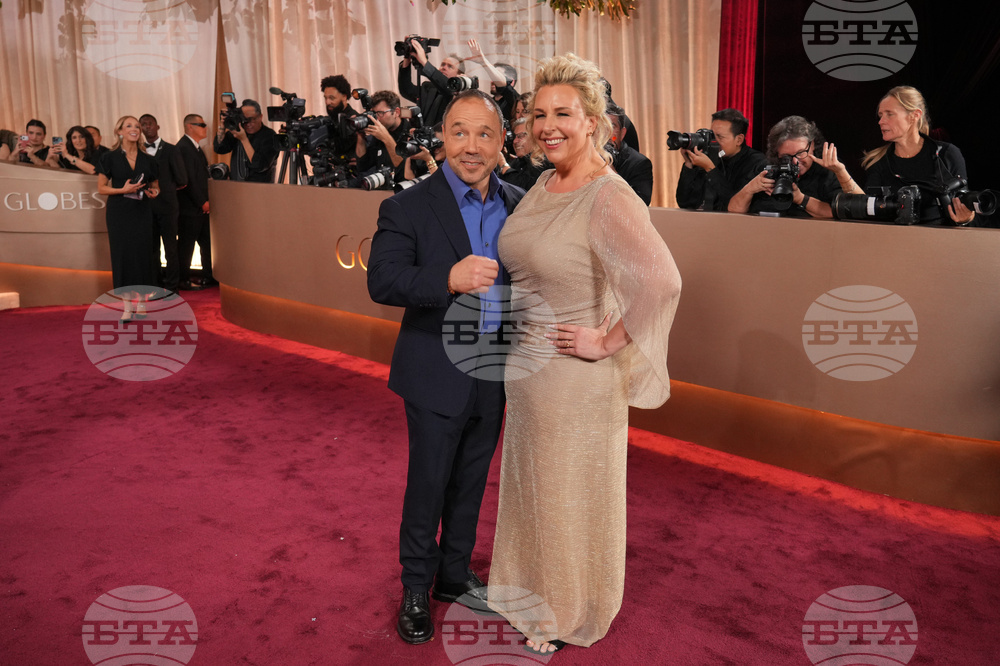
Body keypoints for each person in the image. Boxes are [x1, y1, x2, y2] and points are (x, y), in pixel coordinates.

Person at [488, 53, 681, 654]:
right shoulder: (545, 182)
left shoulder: (608, 193)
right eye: (539, 114)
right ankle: (524, 588)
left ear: (593, 121)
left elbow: (662, 283)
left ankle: (563, 611)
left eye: (564, 114)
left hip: (574, 377)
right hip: (528, 374)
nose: (549, 125)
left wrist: (606, 340)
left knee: (567, 496)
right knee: (535, 488)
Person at [367, 89, 526, 646]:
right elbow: (382, 281)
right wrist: (446, 280)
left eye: (485, 133)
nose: (471, 145)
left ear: (502, 140)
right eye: (460, 131)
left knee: (471, 481)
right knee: (429, 482)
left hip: (496, 368)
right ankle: (416, 585)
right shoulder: (407, 205)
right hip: (435, 368)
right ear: (442, 135)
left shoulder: (520, 201)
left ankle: (454, 577)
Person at [822, 85, 977, 226]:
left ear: (914, 116)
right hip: (893, 244)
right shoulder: (879, 162)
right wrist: (840, 172)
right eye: (881, 115)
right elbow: (866, 207)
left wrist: (967, 218)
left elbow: (964, 205)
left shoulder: (947, 154)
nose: (881, 121)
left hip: (939, 244)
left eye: (889, 114)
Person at [96, 116, 161, 320]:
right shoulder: (109, 157)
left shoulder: (149, 159)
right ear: (120, 131)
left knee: (142, 256)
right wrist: (121, 189)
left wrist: (155, 192)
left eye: (137, 126)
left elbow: (156, 185)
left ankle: (141, 303)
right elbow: (101, 188)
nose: (135, 129)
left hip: (142, 211)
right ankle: (126, 307)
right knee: (122, 257)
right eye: (129, 126)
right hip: (119, 213)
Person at [728, 115, 842, 218]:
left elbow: (838, 212)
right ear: (776, 153)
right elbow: (733, 210)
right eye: (786, 156)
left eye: (801, 153)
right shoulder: (766, 168)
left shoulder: (828, 170)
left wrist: (801, 199)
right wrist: (750, 188)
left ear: (812, 145)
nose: (795, 161)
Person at [675, 108, 766, 211]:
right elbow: (684, 202)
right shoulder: (708, 156)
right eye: (712, 135)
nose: (714, 141)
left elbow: (733, 203)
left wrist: (710, 169)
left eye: (720, 137)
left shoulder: (756, 163)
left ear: (739, 140)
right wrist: (689, 165)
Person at [140, 114, 188, 291]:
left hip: (167, 206)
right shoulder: (138, 152)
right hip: (145, 206)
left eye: (149, 124)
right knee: (151, 248)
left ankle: (172, 286)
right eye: (143, 125)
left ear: (157, 126)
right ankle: (154, 284)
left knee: (170, 247)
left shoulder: (171, 149)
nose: (147, 127)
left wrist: (166, 189)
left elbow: (182, 178)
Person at [177, 114, 215, 290]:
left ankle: (209, 276)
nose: (205, 127)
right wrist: (202, 202)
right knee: (186, 245)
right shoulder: (184, 148)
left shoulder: (196, 148)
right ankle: (182, 279)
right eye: (201, 124)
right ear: (189, 127)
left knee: (207, 243)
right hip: (190, 207)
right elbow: (188, 180)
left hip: (200, 207)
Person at [397, 39, 462, 126]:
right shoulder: (428, 87)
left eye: (450, 66)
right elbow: (406, 90)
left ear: (459, 75)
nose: (444, 68)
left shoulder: (461, 93)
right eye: (443, 64)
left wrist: (424, 62)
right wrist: (407, 59)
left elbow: (447, 87)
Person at [213, 99, 279, 182]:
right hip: (237, 187)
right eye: (244, 119)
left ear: (260, 117)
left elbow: (260, 165)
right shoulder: (239, 130)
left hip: (260, 189)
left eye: (251, 119)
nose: (248, 124)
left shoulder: (270, 135)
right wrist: (222, 126)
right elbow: (219, 148)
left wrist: (244, 140)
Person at [607, 102, 653, 205]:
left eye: (612, 126)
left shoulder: (639, 163)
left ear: (622, 133)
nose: (606, 131)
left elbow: (641, 204)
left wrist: (612, 173)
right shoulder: (584, 158)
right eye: (601, 126)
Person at [355, 90, 410, 174]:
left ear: (396, 112)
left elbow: (405, 173)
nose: (377, 118)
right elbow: (362, 166)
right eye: (374, 113)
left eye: (380, 113)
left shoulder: (411, 132)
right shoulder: (379, 132)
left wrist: (386, 138)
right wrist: (360, 136)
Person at [465, 38, 519, 119]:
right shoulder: (487, 102)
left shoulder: (515, 101)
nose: (492, 81)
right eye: (492, 77)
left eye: (496, 76)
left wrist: (483, 61)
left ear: (511, 82)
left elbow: (505, 87)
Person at [498, 117, 549, 191]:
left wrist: (503, 164)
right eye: (514, 137)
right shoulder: (519, 161)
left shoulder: (543, 161)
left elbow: (521, 190)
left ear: (534, 136)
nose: (515, 141)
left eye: (520, 136)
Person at [321, 74, 359, 157]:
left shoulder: (354, 120)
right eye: (325, 98)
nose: (327, 102)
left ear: (344, 97)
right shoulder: (330, 119)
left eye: (332, 98)